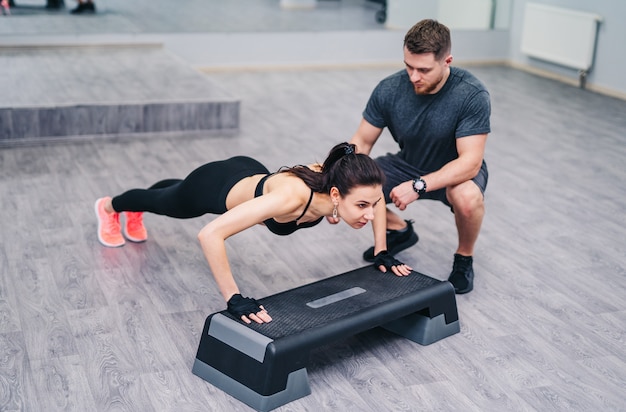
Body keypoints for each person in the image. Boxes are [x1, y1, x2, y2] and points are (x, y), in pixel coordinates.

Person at [95, 142, 412, 324]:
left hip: (250, 170)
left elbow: (378, 198)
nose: (370, 213)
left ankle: (151, 200)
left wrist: (381, 249)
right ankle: (110, 207)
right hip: (215, 186)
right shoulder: (289, 199)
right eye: (361, 206)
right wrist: (234, 298)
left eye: (370, 205)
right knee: (167, 202)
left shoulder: (342, 182)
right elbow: (210, 234)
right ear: (334, 195)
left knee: (172, 193)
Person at [348, 19, 491, 295]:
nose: (414, 77)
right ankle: (401, 231)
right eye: (408, 66)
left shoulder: (471, 94)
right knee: (351, 187)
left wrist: (419, 185)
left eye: (423, 70)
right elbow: (362, 141)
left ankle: (464, 258)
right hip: (406, 163)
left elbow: (470, 162)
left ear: (446, 61)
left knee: (468, 199)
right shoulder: (389, 89)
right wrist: (338, 179)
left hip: (455, 170)